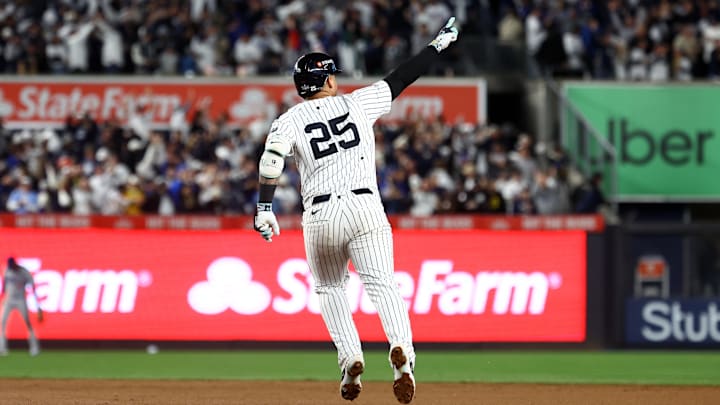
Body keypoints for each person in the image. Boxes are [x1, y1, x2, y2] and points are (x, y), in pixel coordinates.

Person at [253, 17, 459, 404]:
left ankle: (350, 358)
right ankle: (402, 358)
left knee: (330, 288)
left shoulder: (289, 120)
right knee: (383, 286)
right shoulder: (357, 102)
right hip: (366, 206)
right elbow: (403, 76)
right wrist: (437, 46)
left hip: (320, 215)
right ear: (327, 81)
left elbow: (271, 161)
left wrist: (264, 207)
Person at [0, 257, 42, 356]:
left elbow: (32, 287)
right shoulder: (7, 270)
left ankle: (34, 348)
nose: (11, 268)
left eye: (12, 266)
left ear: (15, 264)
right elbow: (4, 286)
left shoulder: (24, 272)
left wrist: (38, 306)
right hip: (9, 299)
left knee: (27, 322)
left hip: (20, 300)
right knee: (2, 322)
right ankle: (2, 348)